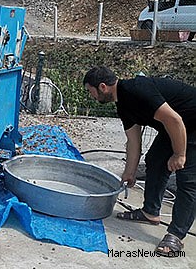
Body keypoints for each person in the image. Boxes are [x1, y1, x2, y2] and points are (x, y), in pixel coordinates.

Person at [83, 66, 196, 257]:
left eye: (90, 91)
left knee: (188, 180)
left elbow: (174, 119)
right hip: (175, 126)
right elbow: (133, 141)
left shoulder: (137, 90)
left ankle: (176, 235)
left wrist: (179, 154)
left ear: (102, 87)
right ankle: (150, 213)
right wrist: (130, 172)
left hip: (191, 123)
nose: (90, 95)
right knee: (155, 160)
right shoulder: (123, 104)